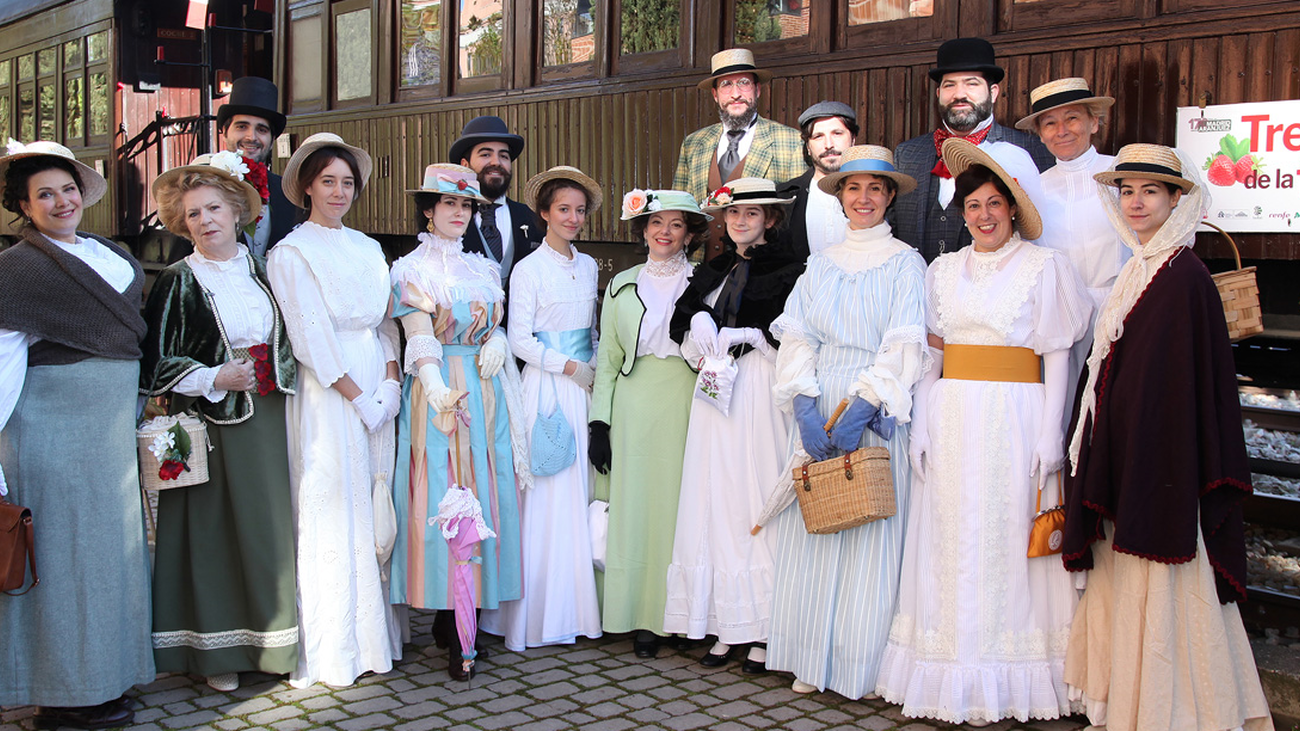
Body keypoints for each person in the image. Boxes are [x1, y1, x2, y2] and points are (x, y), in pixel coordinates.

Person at [875, 139, 1090, 726]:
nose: (984, 215)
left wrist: (1052, 432)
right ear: (962, 213)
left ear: (1013, 209)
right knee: (951, 533)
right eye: (973, 206)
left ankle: (1010, 673)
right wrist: (921, 421)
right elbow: (933, 354)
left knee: (1006, 532)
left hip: (1016, 418)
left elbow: (1056, 354)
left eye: (995, 203)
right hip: (952, 416)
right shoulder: (942, 270)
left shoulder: (1045, 266)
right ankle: (950, 669)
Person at [1062, 144, 1274, 731]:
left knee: (1163, 566)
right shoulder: (1140, 266)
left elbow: (1183, 385)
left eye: (1151, 191)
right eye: (1128, 191)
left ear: (1177, 200)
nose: (1136, 202)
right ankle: (1124, 700)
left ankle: (1169, 707)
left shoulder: (1185, 276)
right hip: (1130, 445)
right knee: (1122, 566)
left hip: (1163, 456)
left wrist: (1150, 450)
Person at [762, 146, 926, 698]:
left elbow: (904, 344)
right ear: (840, 196)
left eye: (876, 188)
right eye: (853, 188)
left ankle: (862, 666)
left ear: (890, 197)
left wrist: (861, 410)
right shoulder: (821, 263)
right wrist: (805, 408)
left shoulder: (906, 263)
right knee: (816, 527)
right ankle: (811, 659)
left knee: (867, 531)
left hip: (873, 408)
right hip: (819, 398)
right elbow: (797, 336)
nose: (864, 198)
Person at [0, 141, 154, 729]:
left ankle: (104, 678)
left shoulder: (110, 254)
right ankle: (62, 699)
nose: (61, 201)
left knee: (110, 557)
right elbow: (4, 362)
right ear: (24, 206)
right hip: (50, 432)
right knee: (63, 565)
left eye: (68, 189)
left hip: (107, 434)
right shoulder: (19, 269)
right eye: (44, 194)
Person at [143, 152, 299, 692]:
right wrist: (213, 376)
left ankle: (272, 645)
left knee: (267, 530)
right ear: (182, 224)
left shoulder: (264, 270)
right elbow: (155, 363)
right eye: (193, 214)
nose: (205, 220)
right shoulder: (178, 280)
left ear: (236, 212)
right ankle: (216, 652)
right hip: (212, 421)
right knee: (214, 535)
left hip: (271, 414)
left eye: (214, 208)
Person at [267, 132, 403, 689]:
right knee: (333, 499)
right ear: (307, 187)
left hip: (374, 371)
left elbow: (388, 319)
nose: (339, 192)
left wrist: (390, 382)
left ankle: (376, 637)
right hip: (330, 389)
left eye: (348, 183)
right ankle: (334, 645)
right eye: (328, 181)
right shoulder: (291, 252)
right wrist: (358, 396)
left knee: (374, 496)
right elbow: (309, 337)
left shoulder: (369, 247)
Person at [385, 162, 528, 681]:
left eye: (466, 205)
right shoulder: (410, 269)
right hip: (439, 391)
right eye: (449, 203)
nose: (459, 213)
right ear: (428, 209)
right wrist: (435, 385)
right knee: (444, 493)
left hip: (486, 392)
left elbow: (495, 323)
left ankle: (464, 615)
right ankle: (446, 614)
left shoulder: (483, 269)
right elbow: (418, 334)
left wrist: (497, 340)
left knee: (482, 490)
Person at [662, 178, 804, 674]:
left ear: (771, 219)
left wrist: (758, 337)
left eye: (752, 213)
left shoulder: (790, 270)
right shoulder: (713, 269)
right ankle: (726, 622)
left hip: (758, 389)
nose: (740, 221)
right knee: (714, 497)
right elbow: (682, 324)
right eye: (734, 214)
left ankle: (763, 628)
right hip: (714, 391)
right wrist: (697, 328)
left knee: (755, 494)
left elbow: (797, 337)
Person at [480, 166, 604, 652]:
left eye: (579, 210)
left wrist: (594, 366)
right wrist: (568, 366)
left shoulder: (589, 265)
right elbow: (520, 339)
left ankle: (575, 610)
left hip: (584, 386)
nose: (572, 218)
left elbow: (591, 329)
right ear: (544, 213)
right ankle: (533, 616)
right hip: (548, 386)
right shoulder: (528, 269)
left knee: (578, 492)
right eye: (563, 209)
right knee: (548, 490)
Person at [589, 190, 708, 658]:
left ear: (689, 235)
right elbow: (607, 359)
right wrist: (600, 423)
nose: (665, 232)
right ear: (642, 230)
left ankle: (674, 615)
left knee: (677, 509)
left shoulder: (704, 281)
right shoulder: (620, 285)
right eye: (656, 222)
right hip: (633, 405)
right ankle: (634, 614)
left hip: (686, 400)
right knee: (634, 509)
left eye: (676, 224)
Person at [1016, 77, 1127, 419]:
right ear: (1040, 134)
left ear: (1094, 122)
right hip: (1061, 325)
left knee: (1117, 412)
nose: (1061, 130)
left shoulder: (1121, 174)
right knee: (1064, 415)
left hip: (1122, 315)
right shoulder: (1035, 190)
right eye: (1050, 123)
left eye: (1072, 118)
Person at [892, 37, 1053, 262]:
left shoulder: (1030, 151)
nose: (959, 94)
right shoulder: (907, 154)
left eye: (971, 83)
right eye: (949, 85)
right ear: (938, 93)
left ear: (993, 92)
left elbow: (1040, 235)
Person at [672, 48, 805, 258]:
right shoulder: (694, 143)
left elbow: (796, 217)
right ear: (715, 95)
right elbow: (678, 210)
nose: (735, 94)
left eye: (744, 83)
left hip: (761, 267)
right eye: (726, 85)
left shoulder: (791, 141)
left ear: (757, 90)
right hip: (700, 267)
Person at [171, 77, 302, 262]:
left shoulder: (287, 192)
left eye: (262, 130)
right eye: (242, 126)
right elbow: (178, 264)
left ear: (272, 140)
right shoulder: (199, 190)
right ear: (225, 132)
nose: (251, 137)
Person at [449, 115, 545, 298]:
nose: (496, 162)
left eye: (504, 156)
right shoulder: (445, 222)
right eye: (486, 154)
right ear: (465, 165)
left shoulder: (532, 218)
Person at [777, 101, 858, 259]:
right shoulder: (783, 198)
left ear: (853, 139)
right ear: (808, 147)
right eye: (818, 136)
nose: (829, 144)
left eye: (837, 133)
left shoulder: (875, 196)